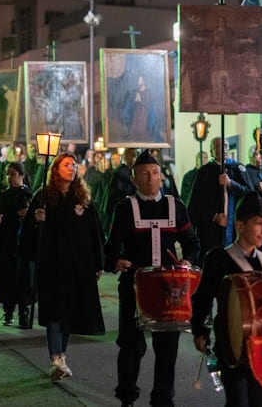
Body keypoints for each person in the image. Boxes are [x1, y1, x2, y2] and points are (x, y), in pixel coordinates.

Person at [104, 149, 200, 407]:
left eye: (155, 173)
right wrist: (116, 261)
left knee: (167, 347)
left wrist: (187, 261)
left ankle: (163, 399)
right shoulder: (125, 208)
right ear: (134, 179)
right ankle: (127, 397)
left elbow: (192, 242)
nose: (151, 178)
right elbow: (110, 248)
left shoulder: (175, 207)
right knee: (131, 346)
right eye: (145, 174)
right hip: (135, 286)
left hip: (169, 289)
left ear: (161, 176)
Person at [190, 193, 262, 406]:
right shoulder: (219, 260)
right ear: (240, 226)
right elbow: (203, 297)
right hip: (231, 348)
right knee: (238, 402)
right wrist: (199, 330)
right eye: (258, 223)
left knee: (261, 402)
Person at [18, 153, 106, 381]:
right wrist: (36, 220)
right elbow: (29, 236)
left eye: (74, 165)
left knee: (70, 313)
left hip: (78, 266)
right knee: (55, 312)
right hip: (53, 264)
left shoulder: (82, 198)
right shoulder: (44, 196)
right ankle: (55, 358)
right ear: (56, 169)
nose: (71, 168)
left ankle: (61, 356)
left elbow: (94, 232)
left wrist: (98, 263)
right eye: (66, 165)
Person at [188, 137, 254, 260]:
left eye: (225, 146)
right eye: (218, 147)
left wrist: (231, 183)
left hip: (235, 229)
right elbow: (195, 205)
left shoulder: (237, 168)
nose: (223, 150)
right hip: (212, 233)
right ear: (212, 151)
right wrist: (214, 216)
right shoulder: (204, 172)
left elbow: (250, 194)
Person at [0, 162, 34, 327]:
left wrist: (29, 214)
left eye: (13, 174)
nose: (9, 177)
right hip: (8, 243)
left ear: (21, 175)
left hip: (25, 244)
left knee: (24, 280)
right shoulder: (3, 196)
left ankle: (24, 312)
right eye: (8, 174)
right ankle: (8, 311)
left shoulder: (30, 195)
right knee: (8, 278)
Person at [103, 147, 136, 233]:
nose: (134, 158)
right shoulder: (120, 173)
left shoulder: (132, 172)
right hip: (122, 210)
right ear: (125, 157)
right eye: (132, 155)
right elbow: (117, 193)